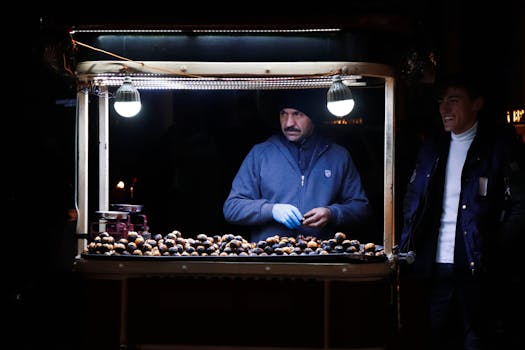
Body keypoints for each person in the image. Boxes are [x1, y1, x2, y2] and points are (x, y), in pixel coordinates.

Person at [398, 71, 525, 350]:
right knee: (435, 337)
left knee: (478, 340)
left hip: (478, 268)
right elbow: (412, 199)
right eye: (442, 101)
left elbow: (519, 206)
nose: (444, 109)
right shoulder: (432, 147)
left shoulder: (500, 147)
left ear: (477, 104)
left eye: (454, 100)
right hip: (433, 265)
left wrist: (494, 248)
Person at [223, 89, 371, 243]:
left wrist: (331, 213)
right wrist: (271, 210)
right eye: (283, 114)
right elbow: (232, 208)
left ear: (313, 117)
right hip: (269, 256)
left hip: (321, 257)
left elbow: (361, 209)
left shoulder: (338, 156)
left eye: (297, 114)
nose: (289, 123)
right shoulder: (260, 154)